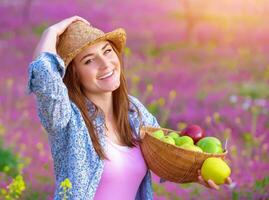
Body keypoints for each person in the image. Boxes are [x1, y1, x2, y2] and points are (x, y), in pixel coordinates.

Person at [27, 16, 232, 200]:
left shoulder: (134, 111)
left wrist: (197, 172)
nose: (105, 63)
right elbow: (46, 79)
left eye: (107, 51)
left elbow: (166, 157)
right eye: (89, 60)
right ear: (74, 75)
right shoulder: (67, 119)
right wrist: (51, 32)